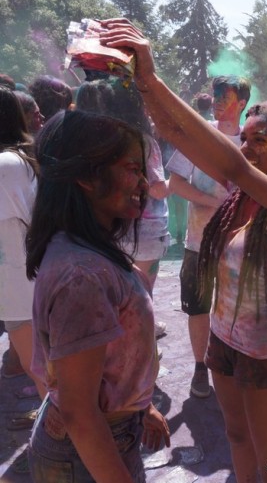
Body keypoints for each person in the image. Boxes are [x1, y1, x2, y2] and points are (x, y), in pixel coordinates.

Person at [99, 18, 267, 483]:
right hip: (222, 337)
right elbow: (176, 133)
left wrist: (152, 76)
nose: (247, 145)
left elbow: (233, 166)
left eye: (261, 140)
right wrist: (142, 83)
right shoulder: (238, 196)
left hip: (261, 348)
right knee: (238, 438)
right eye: (246, 136)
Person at [26, 110, 170, 483]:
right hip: (83, 455)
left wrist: (140, 406)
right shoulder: (83, 277)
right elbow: (79, 412)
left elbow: (107, 365)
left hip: (106, 437)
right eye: (132, 169)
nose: (146, 181)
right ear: (87, 177)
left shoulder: (92, 250)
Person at [166, 75, 251, 398]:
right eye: (215, 94)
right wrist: (215, 201)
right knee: (198, 307)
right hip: (199, 241)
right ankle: (200, 368)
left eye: (224, 95)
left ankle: (232, 361)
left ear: (241, 103)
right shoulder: (198, 135)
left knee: (237, 306)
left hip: (239, 245)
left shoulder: (250, 140)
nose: (217, 100)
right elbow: (176, 183)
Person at [76, 78, 170, 337]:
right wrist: (180, 185)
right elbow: (157, 188)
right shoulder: (142, 141)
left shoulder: (96, 140)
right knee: (142, 290)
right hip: (146, 226)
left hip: (109, 225)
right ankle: (143, 341)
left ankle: (118, 336)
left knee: (114, 288)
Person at [0, 85, 46, 400]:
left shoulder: (6, 165)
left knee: (46, 376)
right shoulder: (17, 159)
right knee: (45, 374)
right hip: (24, 286)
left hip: (24, 289)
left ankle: (65, 442)